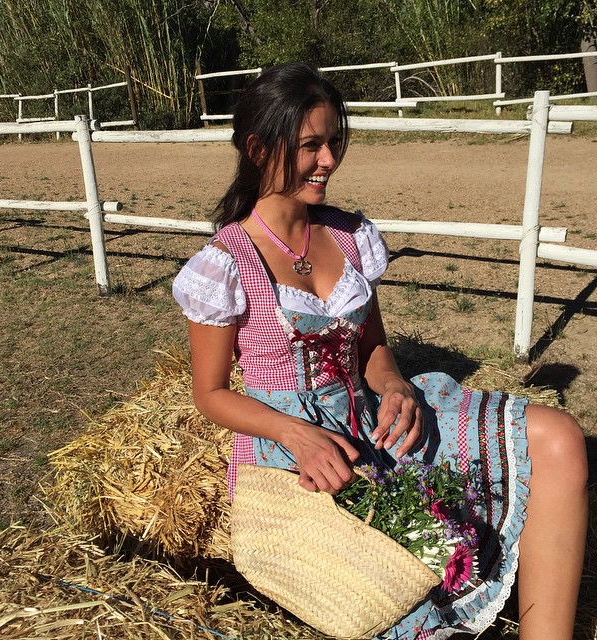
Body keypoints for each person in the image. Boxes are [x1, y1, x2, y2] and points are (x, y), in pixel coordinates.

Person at [172, 62, 588, 639]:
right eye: (310, 146)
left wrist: (393, 385)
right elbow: (210, 393)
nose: (328, 160)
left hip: (371, 418)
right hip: (294, 449)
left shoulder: (350, 236)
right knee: (389, 582)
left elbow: (372, 347)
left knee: (559, 438)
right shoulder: (224, 264)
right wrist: (294, 432)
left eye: (333, 143)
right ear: (258, 148)